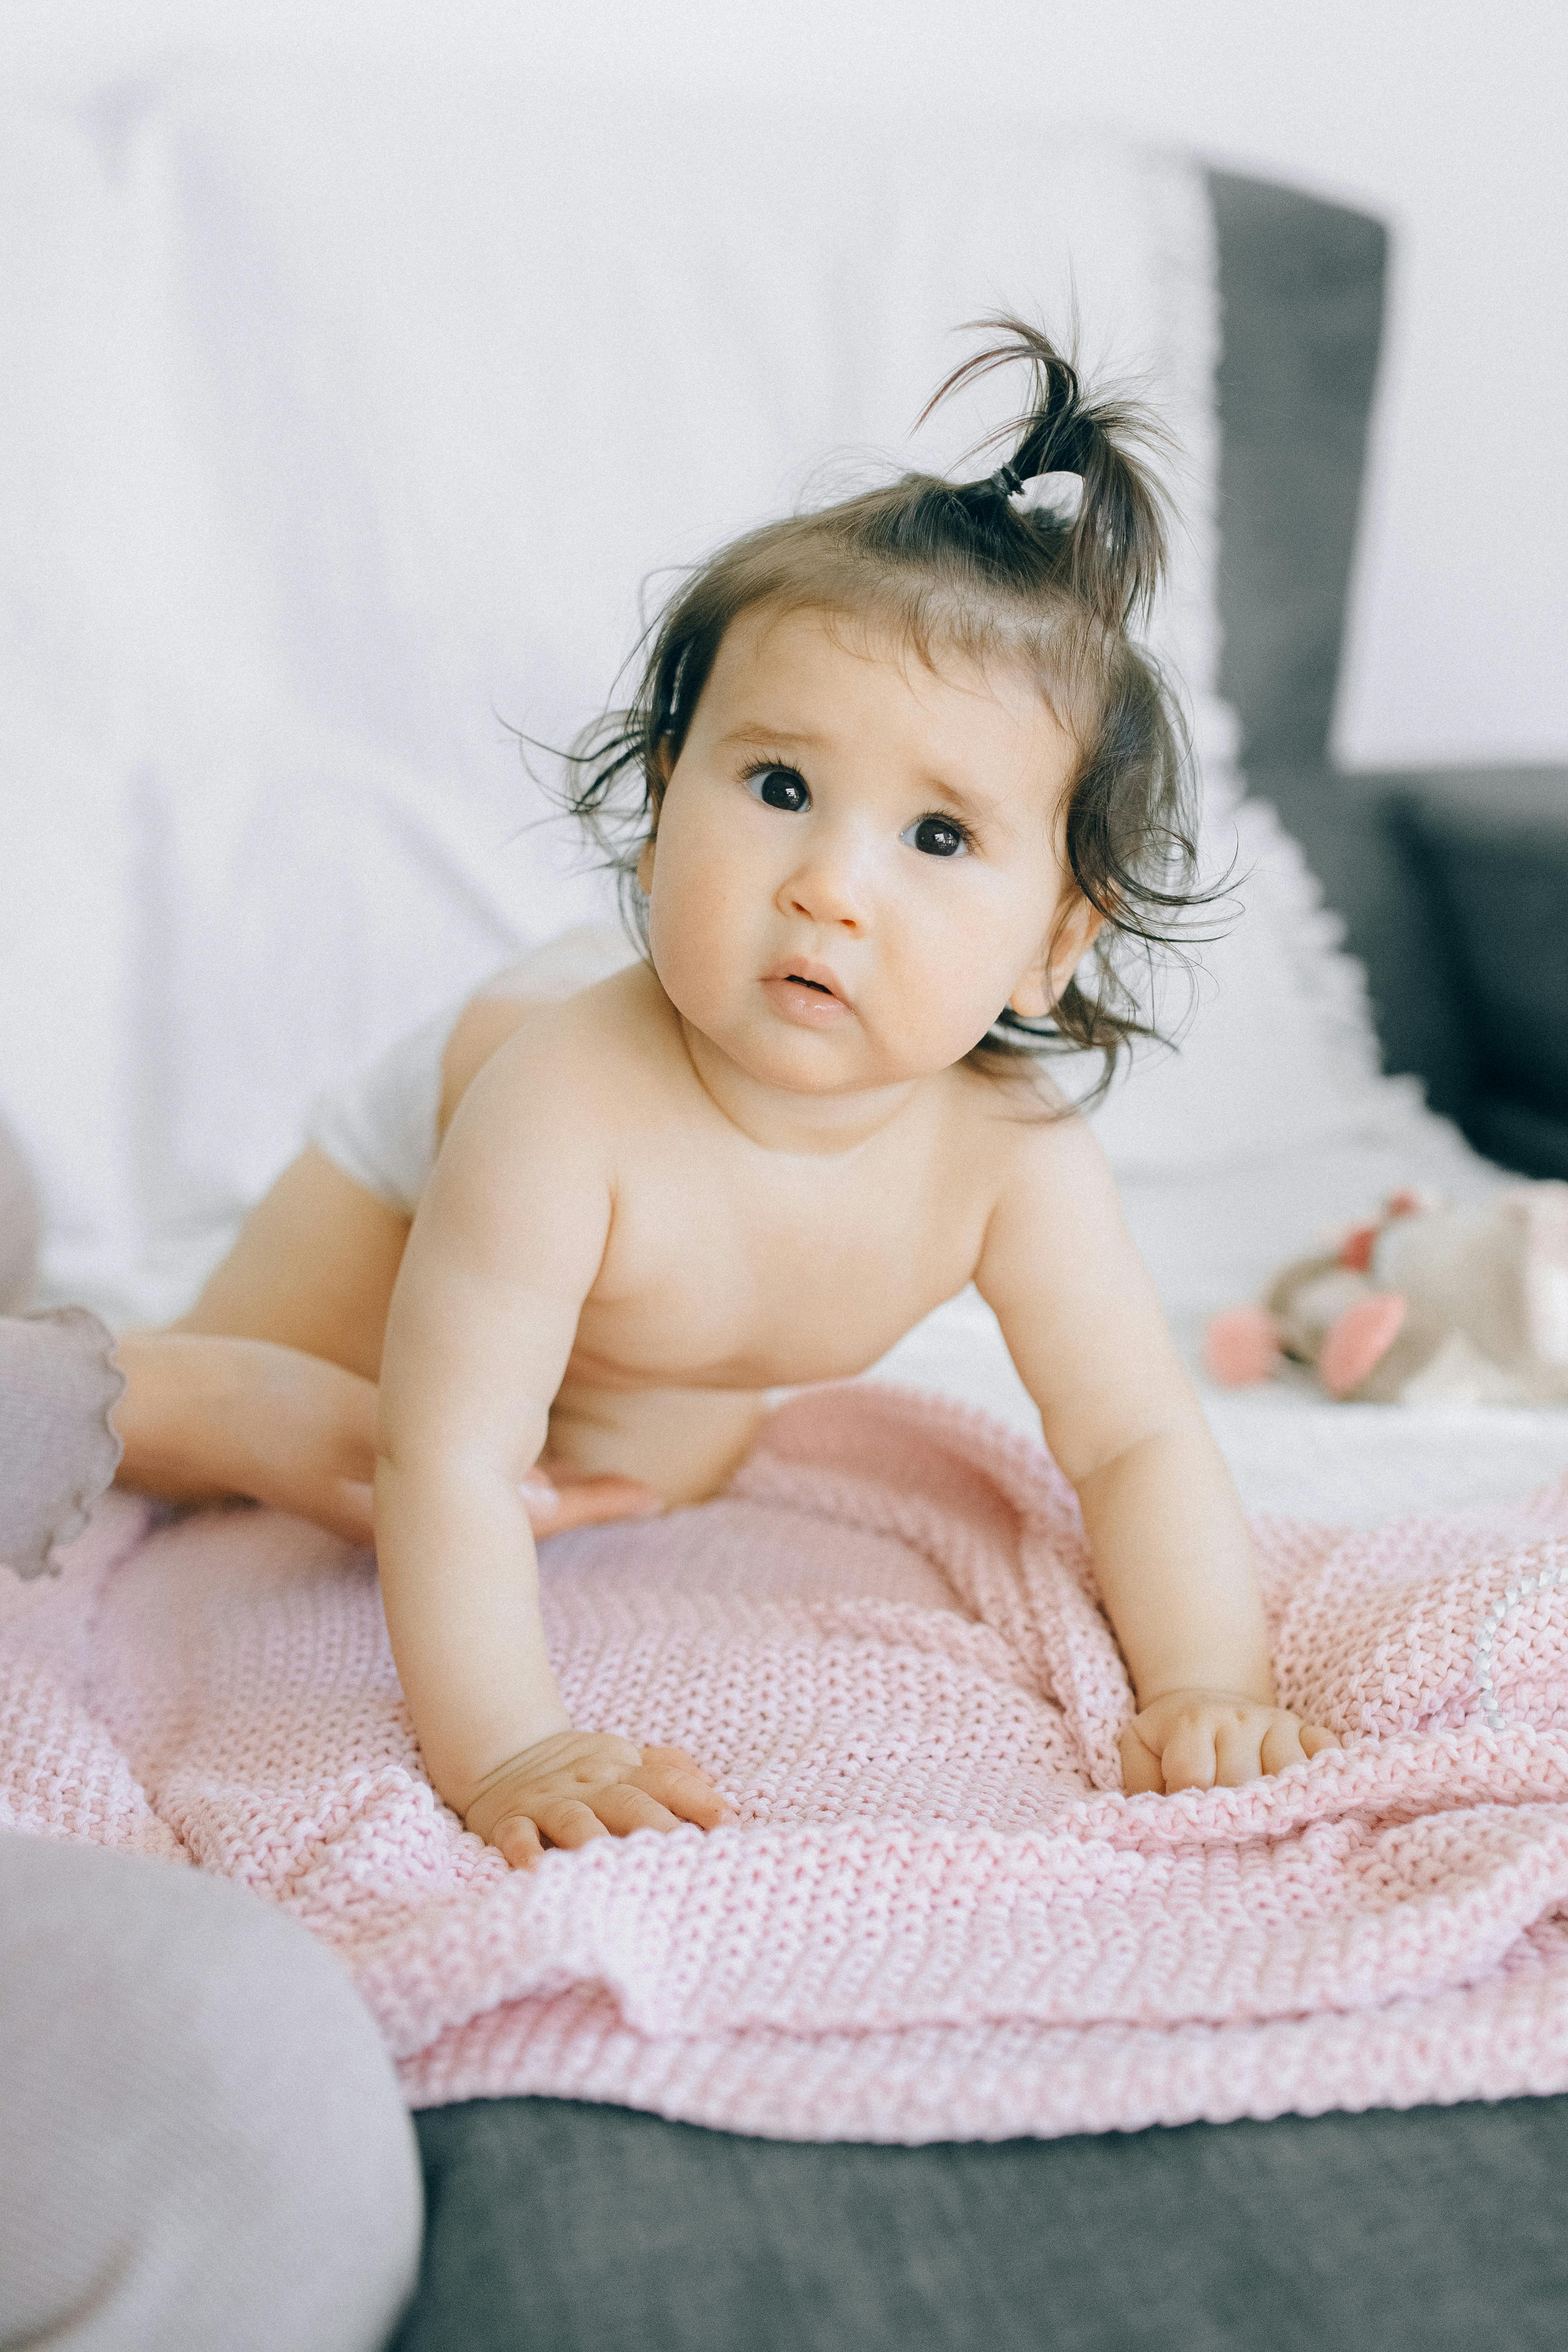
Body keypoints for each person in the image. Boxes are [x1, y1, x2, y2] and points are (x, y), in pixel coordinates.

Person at [114, 321, 1337, 1869]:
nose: (829, 886)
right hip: (437, 1144)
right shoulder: (559, 1109)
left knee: (635, 1472)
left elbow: (1135, 1441)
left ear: (1055, 941)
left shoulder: (1014, 1157)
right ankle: (145, 1370)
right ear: (656, 817)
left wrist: (1208, 1684)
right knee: (258, 1433)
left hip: (676, 1270)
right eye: (776, 790)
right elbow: (453, 1463)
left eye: (940, 838)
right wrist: (512, 1753)